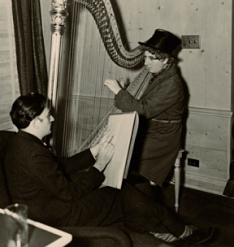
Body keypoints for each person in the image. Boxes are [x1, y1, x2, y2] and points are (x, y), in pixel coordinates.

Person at [4, 93, 214, 245]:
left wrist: (94, 151)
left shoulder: (20, 141)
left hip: (44, 203)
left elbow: (60, 167)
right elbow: (70, 193)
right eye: (48, 115)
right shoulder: (33, 153)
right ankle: (179, 232)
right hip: (55, 215)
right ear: (35, 120)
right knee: (119, 191)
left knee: (118, 189)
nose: (52, 118)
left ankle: (163, 230)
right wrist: (101, 164)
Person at [104, 29, 185, 186]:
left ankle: (133, 193)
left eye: (151, 59)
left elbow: (144, 110)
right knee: (115, 148)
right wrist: (124, 92)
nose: (145, 63)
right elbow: (144, 103)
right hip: (150, 129)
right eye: (145, 57)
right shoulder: (159, 74)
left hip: (163, 137)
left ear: (166, 60)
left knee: (121, 153)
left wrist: (119, 91)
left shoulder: (171, 84)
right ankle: (123, 191)